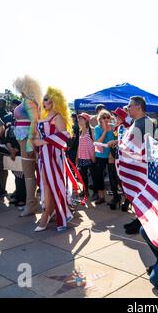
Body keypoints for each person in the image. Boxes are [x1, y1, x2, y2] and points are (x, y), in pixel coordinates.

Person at [33, 87, 74, 232]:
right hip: (44, 155)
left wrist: (43, 141)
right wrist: (38, 141)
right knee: (45, 185)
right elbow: (38, 136)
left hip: (53, 155)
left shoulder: (58, 117)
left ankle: (47, 215)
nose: (45, 101)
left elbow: (64, 136)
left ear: (55, 100)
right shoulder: (44, 116)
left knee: (51, 184)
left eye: (47, 98)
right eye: (44, 98)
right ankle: (50, 212)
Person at [122, 96, 156, 235]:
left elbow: (148, 148)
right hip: (135, 169)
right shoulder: (137, 123)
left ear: (138, 107)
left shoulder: (146, 123)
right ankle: (138, 220)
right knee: (138, 196)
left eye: (130, 106)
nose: (128, 108)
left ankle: (142, 223)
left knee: (144, 196)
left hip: (144, 170)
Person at [13, 75, 42, 218]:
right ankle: (30, 202)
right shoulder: (28, 100)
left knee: (29, 173)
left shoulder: (29, 101)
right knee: (28, 172)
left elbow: (35, 121)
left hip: (27, 140)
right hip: (23, 139)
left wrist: (30, 142)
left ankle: (31, 204)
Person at [93, 110, 116, 205]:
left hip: (111, 155)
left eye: (108, 117)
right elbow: (99, 142)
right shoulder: (97, 128)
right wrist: (105, 131)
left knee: (113, 177)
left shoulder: (114, 127)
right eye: (104, 117)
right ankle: (101, 197)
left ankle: (115, 197)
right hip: (100, 155)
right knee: (99, 176)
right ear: (100, 119)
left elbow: (116, 141)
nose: (106, 119)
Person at [76, 113, 96, 201]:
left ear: (86, 120)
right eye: (78, 119)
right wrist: (77, 157)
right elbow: (79, 146)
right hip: (82, 157)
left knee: (93, 175)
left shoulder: (91, 131)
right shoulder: (80, 131)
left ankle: (95, 192)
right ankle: (85, 190)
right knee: (83, 176)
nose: (79, 121)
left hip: (90, 157)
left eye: (81, 119)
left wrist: (94, 157)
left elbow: (94, 145)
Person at [0, 98, 13, 197]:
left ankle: (2, 188)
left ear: (4, 105)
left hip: (5, 146)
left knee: (3, 168)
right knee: (0, 167)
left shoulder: (6, 117)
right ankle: (0, 187)